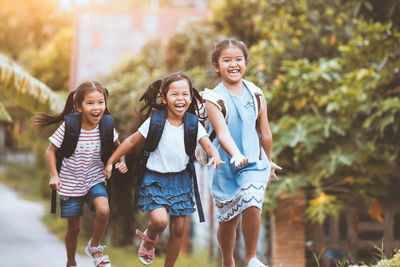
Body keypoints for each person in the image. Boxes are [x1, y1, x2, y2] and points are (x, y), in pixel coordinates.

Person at [104, 72, 223, 267]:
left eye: (185, 94)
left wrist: (215, 155)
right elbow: (132, 141)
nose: (180, 99)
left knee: (178, 230)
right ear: (164, 98)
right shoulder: (156, 121)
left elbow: (208, 145)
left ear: (191, 98)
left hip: (181, 180)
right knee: (160, 222)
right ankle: (149, 238)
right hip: (154, 180)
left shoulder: (193, 123)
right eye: (174, 94)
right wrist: (111, 161)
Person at [203, 39, 282, 267]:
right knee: (228, 221)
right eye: (226, 60)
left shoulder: (256, 93)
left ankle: (251, 259)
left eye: (238, 59)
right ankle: (228, 260)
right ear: (217, 66)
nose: (233, 64)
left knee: (252, 202)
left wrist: (267, 162)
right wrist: (235, 154)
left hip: (253, 163)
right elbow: (222, 132)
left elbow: (264, 133)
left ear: (246, 63)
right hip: (224, 165)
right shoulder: (213, 99)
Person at [33, 81, 127, 267]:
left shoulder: (106, 126)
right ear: (78, 106)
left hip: (94, 178)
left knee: (104, 209)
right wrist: (54, 175)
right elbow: (50, 151)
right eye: (90, 103)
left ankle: (94, 246)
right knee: (74, 229)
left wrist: (121, 161)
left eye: (101, 102)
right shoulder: (70, 126)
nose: (96, 107)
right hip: (69, 182)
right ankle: (71, 262)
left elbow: (120, 148)